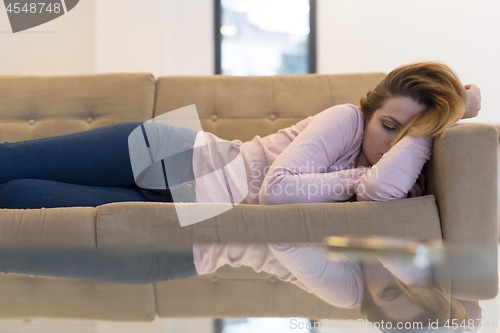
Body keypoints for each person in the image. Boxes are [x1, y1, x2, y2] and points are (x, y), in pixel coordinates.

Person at [0, 61, 482, 325]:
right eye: (390, 125)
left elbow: (383, 191)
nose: (391, 143)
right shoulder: (349, 121)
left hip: (183, 247)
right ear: (371, 112)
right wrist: (358, 179)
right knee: (10, 164)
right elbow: (277, 194)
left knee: (18, 203)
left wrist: (433, 125)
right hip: (179, 159)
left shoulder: (352, 287)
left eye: (410, 136)